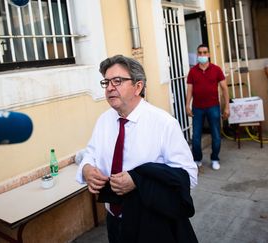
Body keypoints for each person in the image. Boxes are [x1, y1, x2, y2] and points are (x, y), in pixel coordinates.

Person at [76, 55, 198, 242]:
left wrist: (138, 181)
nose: (109, 87)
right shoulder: (104, 121)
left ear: (138, 86)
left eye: (117, 81)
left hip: (151, 223)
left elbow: (188, 177)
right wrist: (86, 169)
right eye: (106, 82)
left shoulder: (164, 124)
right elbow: (90, 153)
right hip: (114, 221)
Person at [185, 44, 230, 171]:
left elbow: (224, 88)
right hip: (197, 108)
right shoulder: (193, 71)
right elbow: (189, 90)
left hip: (213, 107)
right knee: (196, 137)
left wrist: (227, 107)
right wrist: (187, 105)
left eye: (205, 52)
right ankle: (197, 159)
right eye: (200, 53)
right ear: (197, 54)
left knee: (216, 135)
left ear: (209, 54)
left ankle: (215, 158)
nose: (203, 55)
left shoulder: (216, 69)